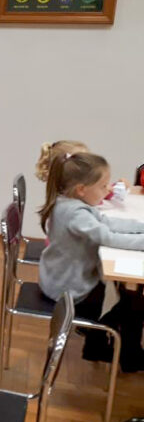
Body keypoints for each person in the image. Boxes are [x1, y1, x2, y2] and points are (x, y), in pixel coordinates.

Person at [39, 152, 144, 372]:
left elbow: (106, 222)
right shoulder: (75, 214)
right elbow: (107, 236)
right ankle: (112, 347)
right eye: (103, 186)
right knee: (130, 303)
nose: (108, 190)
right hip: (66, 289)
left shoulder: (72, 203)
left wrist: (140, 227)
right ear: (81, 189)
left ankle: (98, 345)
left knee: (124, 298)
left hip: (63, 278)